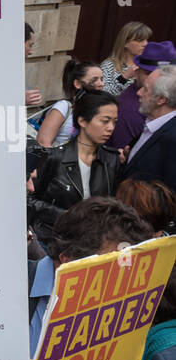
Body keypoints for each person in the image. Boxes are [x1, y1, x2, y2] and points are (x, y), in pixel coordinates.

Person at [29, 197, 154, 355]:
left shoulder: (125, 308)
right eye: (110, 267)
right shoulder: (10, 288)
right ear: (67, 261)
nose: (122, 278)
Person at [28, 90, 121, 245]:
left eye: (115, 122)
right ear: (82, 121)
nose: (111, 128)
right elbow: (30, 200)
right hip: (54, 241)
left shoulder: (112, 160)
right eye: (105, 121)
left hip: (93, 243)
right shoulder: (54, 158)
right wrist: (65, 215)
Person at [121, 59, 176, 191]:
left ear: (161, 99)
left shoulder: (172, 138)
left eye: (145, 89)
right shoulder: (153, 123)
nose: (139, 92)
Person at [36, 59, 104, 149]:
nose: (102, 84)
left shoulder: (98, 109)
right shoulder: (63, 107)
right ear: (78, 84)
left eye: (101, 79)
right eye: (94, 79)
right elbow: (43, 143)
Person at [100, 21, 152, 96]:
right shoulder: (109, 66)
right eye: (140, 40)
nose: (145, 44)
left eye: (146, 40)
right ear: (125, 43)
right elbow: (102, 95)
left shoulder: (149, 65)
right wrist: (124, 77)